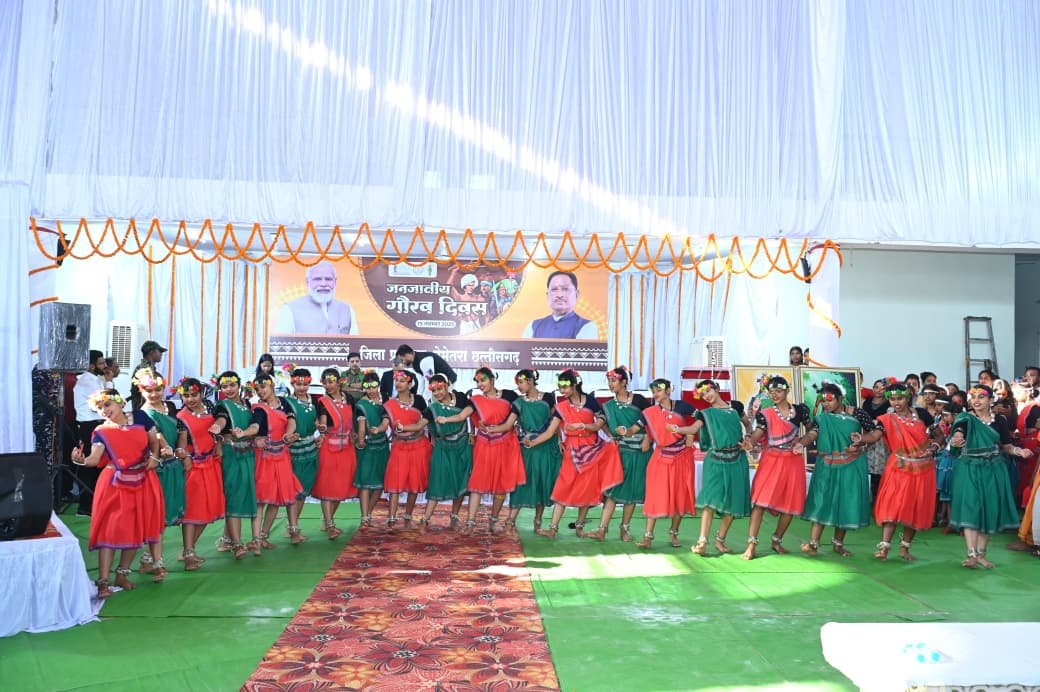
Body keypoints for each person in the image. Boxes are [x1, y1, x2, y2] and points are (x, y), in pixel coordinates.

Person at [70, 389, 165, 599]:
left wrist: (155, 457)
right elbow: (94, 459)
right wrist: (81, 461)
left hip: (143, 479)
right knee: (110, 530)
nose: (104, 410)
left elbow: (154, 441)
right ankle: (103, 581)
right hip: (114, 483)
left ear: (120, 402)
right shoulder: (101, 431)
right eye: (99, 407)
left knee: (135, 527)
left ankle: (122, 575)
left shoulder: (140, 417)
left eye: (107, 405)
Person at [949, 384, 1032, 568]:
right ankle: (971, 555)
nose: (976, 400)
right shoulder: (965, 418)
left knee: (989, 509)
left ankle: (981, 554)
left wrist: (1019, 451)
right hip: (970, 468)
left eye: (981, 397)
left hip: (993, 469)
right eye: (973, 397)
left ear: (990, 400)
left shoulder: (999, 420)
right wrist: (956, 438)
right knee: (971, 508)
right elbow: (959, 431)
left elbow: (1006, 446)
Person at [667, 380, 752, 556]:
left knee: (733, 501)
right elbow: (693, 428)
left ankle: (720, 540)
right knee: (710, 501)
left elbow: (748, 424)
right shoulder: (704, 414)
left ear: (717, 388)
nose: (706, 396)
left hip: (737, 459)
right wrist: (677, 429)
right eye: (702, 394)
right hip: (715, 460)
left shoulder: (736, 406)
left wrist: (748, 438)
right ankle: (702, 542)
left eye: (708, 391)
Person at [536, 370, 624, 539]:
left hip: (592, 449)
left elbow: (601, 423)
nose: (562, 390)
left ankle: (579, 527)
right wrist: (532, 443)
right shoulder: (561, 407)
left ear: (574, 385)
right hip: (572, 451)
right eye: (560, 387)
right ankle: (552, 529)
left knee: (587, 488)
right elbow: (549, 432)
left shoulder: (590, 401)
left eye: (565, 386)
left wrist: (610, 437)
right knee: (563, 486)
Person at [869, 381, 944, 561]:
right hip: (898, 468)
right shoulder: (887, 419)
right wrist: (860, 439)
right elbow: (874, 436)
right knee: (892, 506)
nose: (896, 402)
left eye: (900, 398)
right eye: (892, 399)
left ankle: (904, 548)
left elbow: (939, 435)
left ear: (908, 397)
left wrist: (933, 448)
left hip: (922, 469)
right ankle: (884, 547)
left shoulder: (922, 414)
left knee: (915, 507)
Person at [799, 383, 876, 556]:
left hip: (852, 465)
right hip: (827, 465)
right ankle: (813, 544)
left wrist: (860, 441)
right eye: (822, 401)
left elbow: (874, 433)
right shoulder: (823, 418)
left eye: (829, 400)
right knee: (821, 500)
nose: (825, 404)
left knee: (846, 501)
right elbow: (813, 433)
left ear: (840, 398)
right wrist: (801, 444)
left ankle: (838, 544)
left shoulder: (857, 414)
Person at [743, 376, 810, 559]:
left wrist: (802, 442)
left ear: (787, 391)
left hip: (793, 461)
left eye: (778, 391)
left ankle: (777, 540)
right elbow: (758, 433)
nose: (774, 395)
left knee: (790, 504)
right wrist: (750, 442)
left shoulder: (800, 411)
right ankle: (751, 544)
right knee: (760, 502)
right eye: (771, 392)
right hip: (771, 460)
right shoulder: (765, 413)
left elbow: (813, 430)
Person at [586, 366, 652, 542]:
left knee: (632, 491)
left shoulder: (639, 400)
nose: (610, 384)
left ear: (624, 382)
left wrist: (648, 438)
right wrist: (609, 435)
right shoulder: (608, 406)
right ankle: (602, 529)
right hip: (620, 453)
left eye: (613, 380)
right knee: (612, 489)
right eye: (609, 381)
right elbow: (601, 423)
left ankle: (624, 529)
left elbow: (651, 419)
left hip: (639, 452)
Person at [633, 378, 695, 549]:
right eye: (653, 391)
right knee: (654, 494)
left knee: (679, 495)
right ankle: (648, 536)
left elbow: (701, 418)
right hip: (661, 456)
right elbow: (635, 428)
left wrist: (690, 433)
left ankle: (674, 533)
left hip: (681, 457)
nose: (655, 394)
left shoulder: (682, 406)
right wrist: (626, 431)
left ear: (668, 390)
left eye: (658, 390)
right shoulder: (650, 412)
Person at [465, 367, 526, 534]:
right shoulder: (476, 399)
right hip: (484, 444)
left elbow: (521, 411)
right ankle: (470, 523)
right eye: (477, 381)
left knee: (501, 483)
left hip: (506, 444)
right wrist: (471, 430)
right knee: (477, 481)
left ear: (492, 379)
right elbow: (466, 416)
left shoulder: (509, 396)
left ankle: (493, 520)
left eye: (483, 380)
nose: (480, 384)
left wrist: (516, 426)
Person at [174, 378, 226, 570]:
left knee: (209, 508)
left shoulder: (210, 407)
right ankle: (188, 553)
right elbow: (181, 442)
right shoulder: (181, 417)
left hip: (212, 464)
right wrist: (184, 456)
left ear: (202, 393)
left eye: (194, 395)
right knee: (192, 510)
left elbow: (217, 429)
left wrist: (218, 443)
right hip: (194, 467)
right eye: (186, 396)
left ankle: (189, 549)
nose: (190, 399)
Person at [136, 371, 184, 578]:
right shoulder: (143, 413)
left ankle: (148, 558)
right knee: (157, 514)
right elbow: (156, 433)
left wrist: (181, 449)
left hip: (173, 465)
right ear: (141, 391)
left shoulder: (168, 407)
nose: (154, 394)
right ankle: (158, 563)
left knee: (163, 514)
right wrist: (165, 446)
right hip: (157, 468)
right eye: (149, 390)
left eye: (158, 389)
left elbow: (181, 429)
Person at [252, 373, 307, 546]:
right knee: (263, 498)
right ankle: (256, 539)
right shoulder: (259, 408)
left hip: (282, 455)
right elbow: (255, 427)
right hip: (265, 458)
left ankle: (265, 536)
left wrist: (288, 436)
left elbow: (291, 421)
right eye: (257, 389)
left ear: (272, 385)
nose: (260, 391)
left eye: (263, 387)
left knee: (279, 497)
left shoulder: (284, 403)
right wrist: (251, 436)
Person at [417, 374, 474, 532]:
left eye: (440, 388)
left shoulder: (461, 397)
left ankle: (454, 517)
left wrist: (471, 433)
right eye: (433, 390)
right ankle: (425, 520)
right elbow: (422, 426)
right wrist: (403, 428)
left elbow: (468, 415)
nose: (437, 393)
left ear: (447, 385)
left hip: (463, 446)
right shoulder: (432, 409)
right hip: (443, 448)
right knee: (437, 481)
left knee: (461, 482)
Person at [508, 369, 563, 534]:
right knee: (522, 483)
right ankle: (510, 520)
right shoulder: (518, 402)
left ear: (531, 381)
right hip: (528, 447)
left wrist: (560, 440)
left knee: (542, 482)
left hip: (547, 446)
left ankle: (538, 521)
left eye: (521, 382)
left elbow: (555, 421)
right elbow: (510, 424)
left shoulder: (548, 398)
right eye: (517, 383)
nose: (519, 386)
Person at [211, 372, 259, 557]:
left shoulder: (247, 404)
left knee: (242, 494)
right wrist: (218, 426)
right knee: (234, 496)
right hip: (232, 455)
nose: (229, 389)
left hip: (248, 454)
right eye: (225, 387)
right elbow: (221, 418)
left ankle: (227, 539)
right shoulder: (222, 406)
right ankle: (238, 544)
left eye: (232, 385)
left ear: (239, 385)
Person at [312, 367, 359, 538]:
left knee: (342, 486)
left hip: (347, 447)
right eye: (325, 382)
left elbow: (354, 420)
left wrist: (356, 434)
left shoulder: (350, 399)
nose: (328, 385)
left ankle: (328, 519)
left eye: (331, 381)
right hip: (328, 447)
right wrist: (321, 429)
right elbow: (323, 422)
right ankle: (330, 525)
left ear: (339, 382)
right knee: (327, 486)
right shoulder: (323, 402)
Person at [382, 369, 432, 529]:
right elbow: (385, 423)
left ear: (410, 384)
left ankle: (408, 516)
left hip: (418, 446)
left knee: (414, 483)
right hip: (399, 447)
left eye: (402, 381)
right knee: (395, 482)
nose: (398, 384)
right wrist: (377, 429)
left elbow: (426, 422)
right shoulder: (389, 405)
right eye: (396, 381)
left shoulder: (419, 401)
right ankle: (391, 517)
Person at [275, 260, 358, 334]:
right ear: (307, 282)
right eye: (317, 279)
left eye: (328, 279)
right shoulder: (289, 310)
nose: (323, 284)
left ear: (335, 282)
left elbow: (355, 343)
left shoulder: (347, 310)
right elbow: (281, 343)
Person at [72, 349, 107, 516]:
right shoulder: (89, 381)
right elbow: (100, 405)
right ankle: (85, 505)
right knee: (89, 465)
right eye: (101, 363)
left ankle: (91, 503)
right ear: (91, 366)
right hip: (90, 425)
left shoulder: (93, 380)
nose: (105, 366)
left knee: (96, 464)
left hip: (93, 424)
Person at [354, 370, 390, 527]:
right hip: (367, 447)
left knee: (380, 483)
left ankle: (368, 512)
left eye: (373, 386)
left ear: (378, 385)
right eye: (367, 387)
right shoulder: (361, 405)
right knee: (365, 482)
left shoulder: (386, 400)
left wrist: (379, 429)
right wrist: (361, 440)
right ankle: (364, 517)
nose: (371, 390)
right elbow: (361, 426)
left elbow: (386, 421)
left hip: (382, 446)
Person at [285, 368, 319, 525]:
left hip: (311, 448)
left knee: (304, 488)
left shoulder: (314, 400)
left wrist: (321, 429)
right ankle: (292, 525)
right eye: (298, 384)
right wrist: (289, 436)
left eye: (305, 384)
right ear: (292, 383)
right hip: (295, 449)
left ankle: (294, 523)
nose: (302, 388)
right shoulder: (287, 402)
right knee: (295, 489)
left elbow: (316, 421)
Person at [522, 271, 598, 339]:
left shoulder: (587, 327)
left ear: (577, 294)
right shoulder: (533, 326)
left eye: (565, 289)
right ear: (547, 295)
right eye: (554, 289)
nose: (559, 295)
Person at [379, 344, 458, 401]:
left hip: (447, 382)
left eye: (402, 360)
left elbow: (429, 382)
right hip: (436, 384)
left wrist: (424, 400)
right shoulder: (415, 364)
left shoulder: (424, 361)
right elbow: (422, 382)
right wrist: (419, 398)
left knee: (439, 405)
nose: (403, 363)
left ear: (408, 354)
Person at [131, 340, 167, 410]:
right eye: (159, 351)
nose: (161, 354)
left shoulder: (147, 367)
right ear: (152, 352)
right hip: (145, 410)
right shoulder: (144, 370)